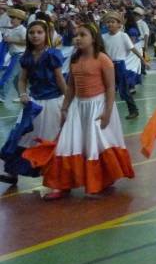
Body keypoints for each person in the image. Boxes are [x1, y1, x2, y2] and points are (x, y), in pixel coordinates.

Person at [43, 22, 135, 200]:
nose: (78, 38)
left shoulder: (103, 59)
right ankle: (62, 184)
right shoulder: (74, 59)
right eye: (76, 35)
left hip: (98, 107)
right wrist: (65, 107)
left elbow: (110, 88)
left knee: (95, 145)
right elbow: (71, 86)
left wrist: (107, 112)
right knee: (67, 144)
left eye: (83, 35)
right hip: (78, 106)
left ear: (93, 38)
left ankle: (97, 182)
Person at [0, 21, 67, 185]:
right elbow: (22, 80)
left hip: (53, 103)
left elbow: (60, 80)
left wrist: (69, 101)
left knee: (49, 140)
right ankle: (12, 172)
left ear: (46, 35)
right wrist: (23, 94)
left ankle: (54, 176)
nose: (35, 35)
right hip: (33, 103)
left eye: (39, 32)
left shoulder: (52, 55)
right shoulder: (27, 57)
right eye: (32, 33)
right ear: (28, 36)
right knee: (20, 136)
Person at [101, 11, 144, 120]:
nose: (110, 24)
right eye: (108, 22)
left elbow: (133, 48)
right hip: (107, 66)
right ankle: (104, 112)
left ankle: (133, 110)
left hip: (119, 65)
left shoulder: (123, 36)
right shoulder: (103, 37)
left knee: (124, 91)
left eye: (113, 22)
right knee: (105, 89)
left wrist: (142, 59)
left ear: (119, 24)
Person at [1, 8, 28, 104]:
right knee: (16, 79)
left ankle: (2, 96)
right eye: (11, 17)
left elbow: (27, 42)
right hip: (14, 55)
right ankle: (22, 95)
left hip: (20, 56)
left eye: (15, 18)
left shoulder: (22, 30)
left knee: (9, 76)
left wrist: (11, 40)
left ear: (20, 20)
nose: (12, 19)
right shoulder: (11, 28)